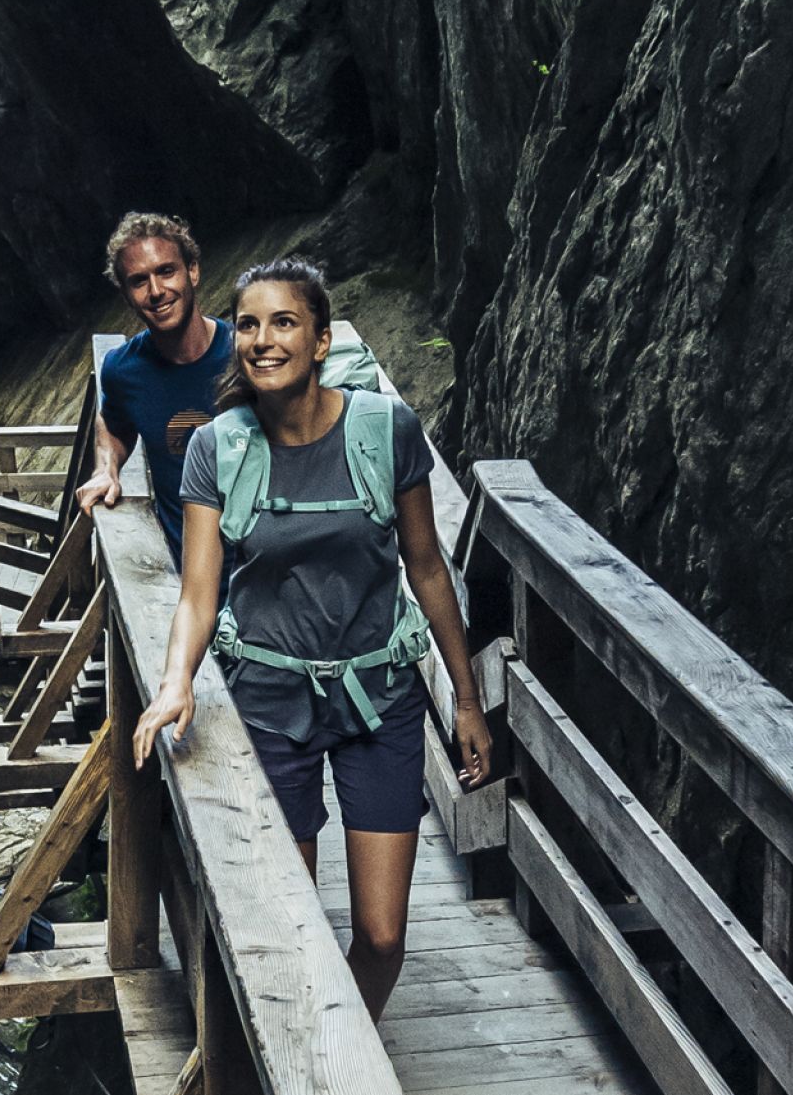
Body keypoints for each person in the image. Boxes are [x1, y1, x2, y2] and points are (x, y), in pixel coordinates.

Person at [130, 257, 494, 1024]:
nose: (264, 340)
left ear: (322, 340)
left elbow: (427, 568)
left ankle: (336, 1054)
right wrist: (175, 682)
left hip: (379, 695)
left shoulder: (383, 430)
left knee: (383, 934)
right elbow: (199, 594)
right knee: (294, 935)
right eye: (251, 325)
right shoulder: (218, 447)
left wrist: (466, 699)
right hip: (266, 699)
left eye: (284, 322)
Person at [74, 213, 231, 561]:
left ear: (193, 271)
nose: (157, 291)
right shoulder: (123, 370)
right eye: (139, 281)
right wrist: (106, 469)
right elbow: (113, 423)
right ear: (127, 295)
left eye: (166, 271)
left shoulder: (245, 355)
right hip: (187, 575)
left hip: (264, 574)